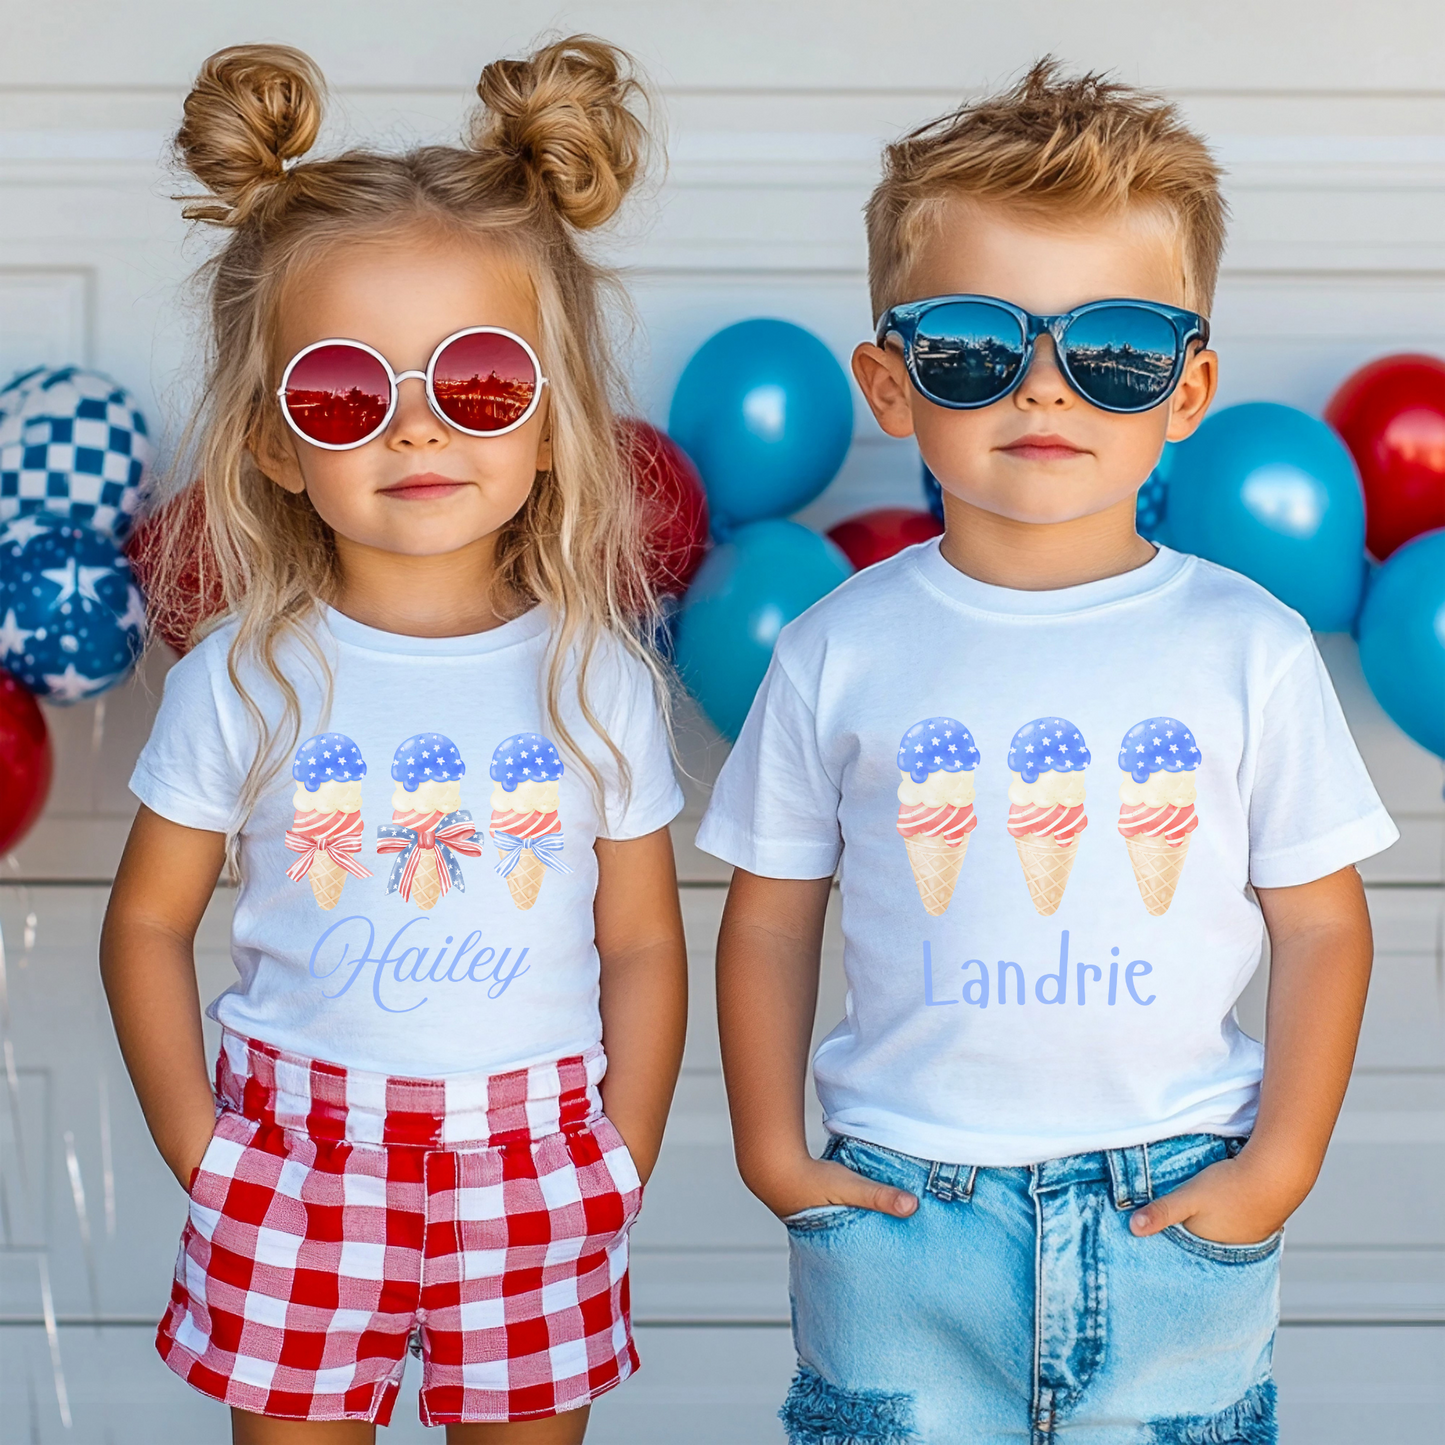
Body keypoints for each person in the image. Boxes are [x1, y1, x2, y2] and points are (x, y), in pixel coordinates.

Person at [700, 61, 1397, 1444]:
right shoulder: (838, 647)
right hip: (905, 1210)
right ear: (891, 387)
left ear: (1187, 390)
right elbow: (772, 917)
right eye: (973, 346)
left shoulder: (1246, 646)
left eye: (1116, 349)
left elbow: (1322, 925)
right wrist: (771, 1147)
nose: (1045, 389)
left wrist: (1283, 1165)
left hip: (1175, 1206)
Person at [99, 36, 687, 1444]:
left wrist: (623, 1158)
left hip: (535, 1161)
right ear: (277, 444)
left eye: (478, 382)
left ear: (548, 423)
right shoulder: (246, 677)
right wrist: (210, 1156)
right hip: (296, 1163)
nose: (417, 428)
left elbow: (645, 943)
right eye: (346, 394)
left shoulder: (593, 674)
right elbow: (145, 928)